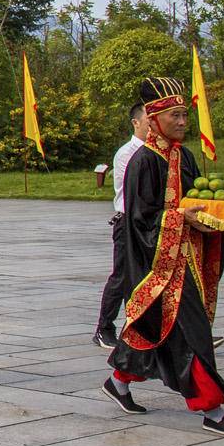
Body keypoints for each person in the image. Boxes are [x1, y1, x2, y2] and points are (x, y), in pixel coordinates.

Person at [105, 77, 224, 435]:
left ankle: (119, 381)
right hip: (162, 262)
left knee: (154, 327)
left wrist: (213, 216)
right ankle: (211, 409)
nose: (183, 122)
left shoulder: (183, 156)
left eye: (185, 115)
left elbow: (198, 200)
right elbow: (141, 220)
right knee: (191, 330)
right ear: (153, 119)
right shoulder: (143, 161)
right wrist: (178, 218)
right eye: (175, 115)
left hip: (189, 258)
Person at [94, 102, 149, 349]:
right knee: (122, 275)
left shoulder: (166, 151)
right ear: (136, 122)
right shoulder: (128, 153)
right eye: (150, 119)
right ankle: (104, 328)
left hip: (153, 222)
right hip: (129, 221)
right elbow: (137, 193)